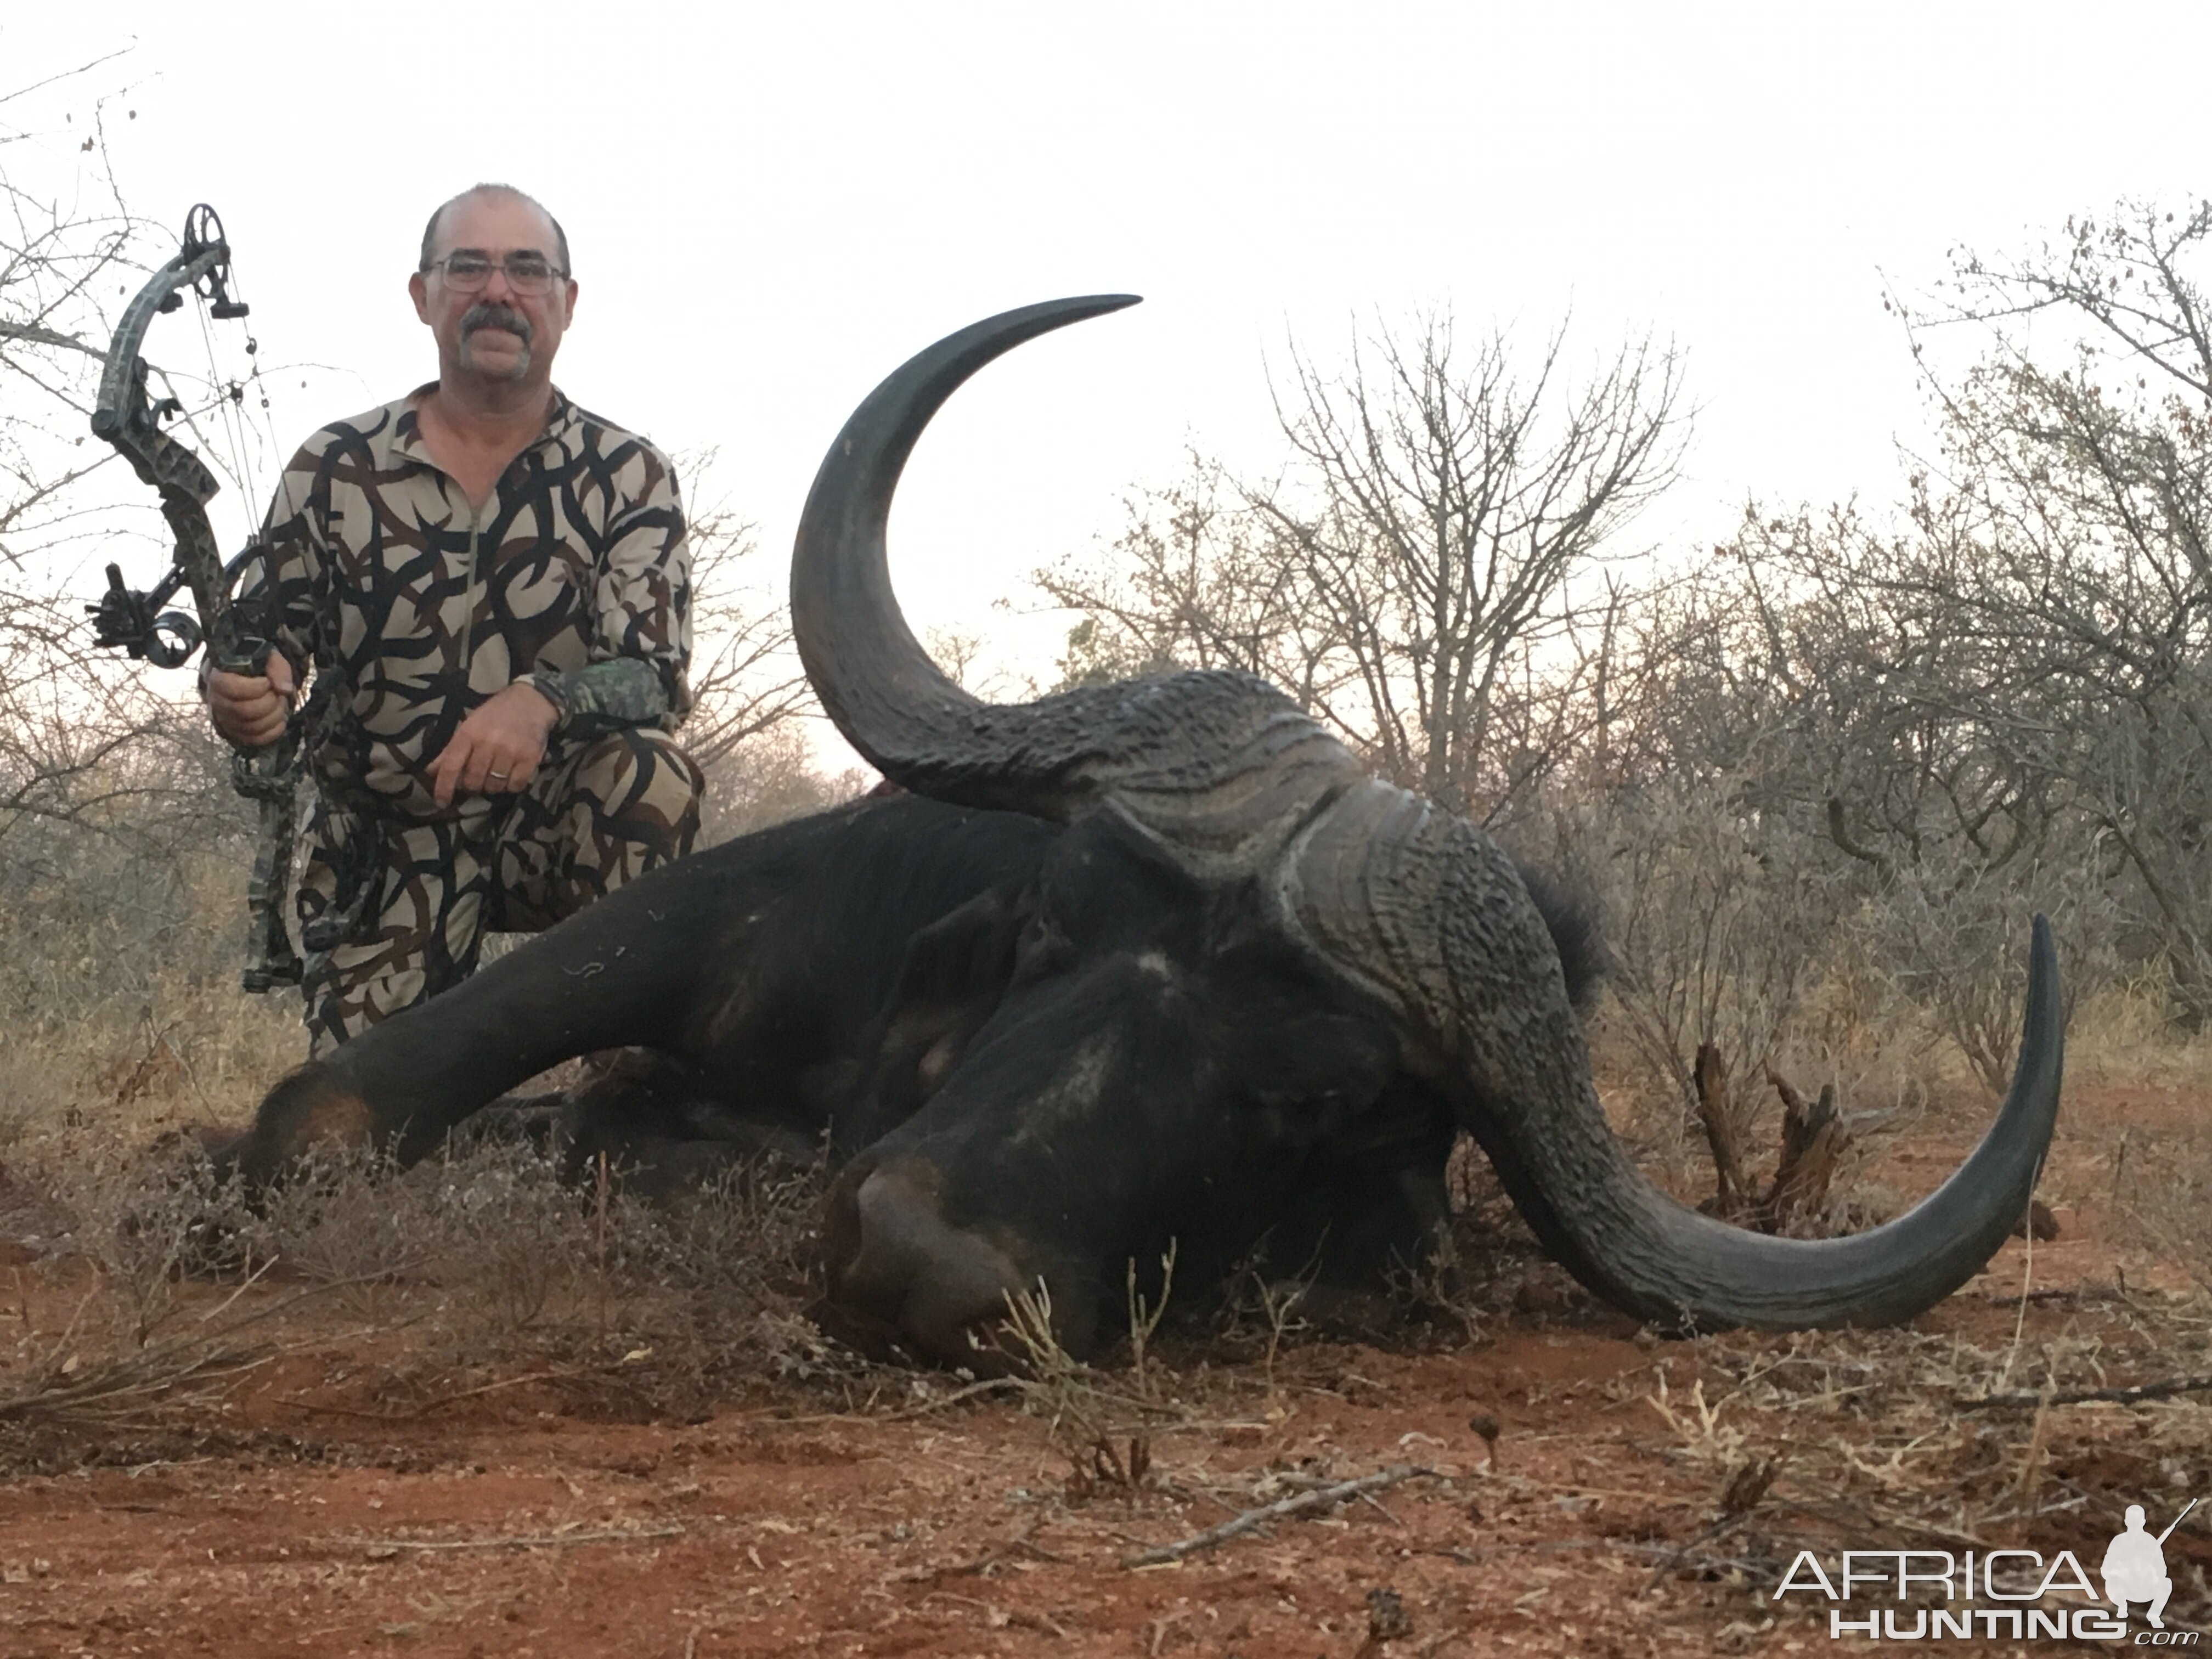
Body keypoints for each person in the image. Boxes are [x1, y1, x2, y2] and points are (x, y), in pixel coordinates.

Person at [205, 183, 704, 1056]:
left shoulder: (630, 475)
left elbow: (653, 676)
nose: (498, 292)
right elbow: (270, 643)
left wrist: (540, 701)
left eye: (526, 270)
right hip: (386, 842)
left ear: (567, 301)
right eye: (468, 267)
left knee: (651, 775)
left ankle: (631, 1080)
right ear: (424, 295)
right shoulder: (334, 467)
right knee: (364, 1132)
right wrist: (247, 697)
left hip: (554, 824)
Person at [2101, 1504, 2174, 1629]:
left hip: (2146, 1587)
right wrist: (2123, 1569)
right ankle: (2122, 1607)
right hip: (2124, 1588)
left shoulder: (2151, 1542)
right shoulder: (2118, 1541)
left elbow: (2162, 1569)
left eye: (2137, 1521)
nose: (2134, 1524)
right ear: (2126, 1522)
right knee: (2112, 1582)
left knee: (2167, 1583)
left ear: (2143, 1522)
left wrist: (2150, 1571)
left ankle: (2154, 1614)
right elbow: (2106, 1570)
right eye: (2132, 1521)